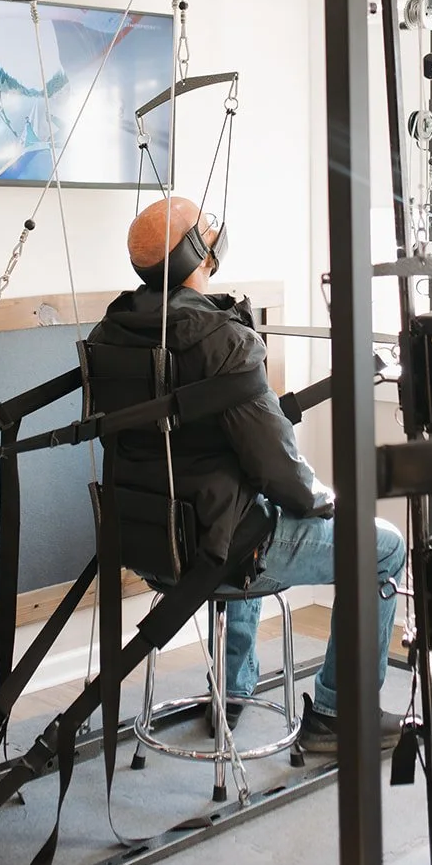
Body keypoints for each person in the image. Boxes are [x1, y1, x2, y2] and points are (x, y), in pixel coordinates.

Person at [86, 194, 406, 754]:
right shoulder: (224, 339)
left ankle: (231, 689)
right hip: (217, 548)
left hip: (148, 542)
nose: (215, 238)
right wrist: (322, 499)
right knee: (383, 546)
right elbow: (279, 469)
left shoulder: (111, 333)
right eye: (207, 233)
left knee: (245, 512)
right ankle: (338, 713)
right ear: (197, 255)